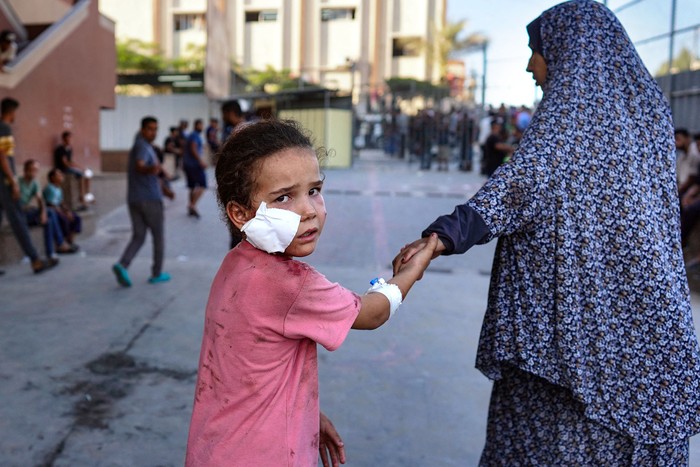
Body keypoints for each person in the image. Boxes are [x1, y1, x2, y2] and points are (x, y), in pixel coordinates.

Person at [394, 1, 700, 464]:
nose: (529, 64)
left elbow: (517, 189)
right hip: (652, 321)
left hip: (578, 338)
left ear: (566, 52)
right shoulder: (650, 111)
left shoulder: (570, 116)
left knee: (562, 443)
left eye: (535, 51)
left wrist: (440, 238)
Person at [185, 119, 437, 466]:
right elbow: (373, 312)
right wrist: (414, 269)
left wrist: (307, 414)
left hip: (218, 447)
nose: (308, 210)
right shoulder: (288, 283)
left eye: (314, 190)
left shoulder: (236, 265)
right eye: (284, 197)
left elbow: (247, 372)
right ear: (240, 213)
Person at [112, 116, 170, 287]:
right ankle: (157, 273)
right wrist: (152, 168)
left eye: (155, 129)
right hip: (150, 200)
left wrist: (165, 188)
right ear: (142, 130)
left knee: (139, 235)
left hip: (134, 199)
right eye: (150, 129)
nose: (154, 132)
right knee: (158, 237)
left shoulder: (140, 146)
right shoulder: (143, 146)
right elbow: (140, 166)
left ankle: (122, 265)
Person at [0, 97, 53, 273]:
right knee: (18, 220)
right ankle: (35, 260)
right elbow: (2, 156)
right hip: (5, 182)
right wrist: (13, 181)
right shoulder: (4, 128)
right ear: (11, 112)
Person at [19, 160, 77, 259]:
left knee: (49, 219)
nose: (35, 173)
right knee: (51, 212)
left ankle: (50, 253)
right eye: (32, 170)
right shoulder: (18, 182)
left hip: (29, 213)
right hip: (18, 215)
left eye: (36, 170)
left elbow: (40, 199)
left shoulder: (35, 183)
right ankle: (60, 243)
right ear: (25, 170)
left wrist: (43, 212)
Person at [53, 130, 94, 209]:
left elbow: (71, 161)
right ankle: (81, 198)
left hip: (69, 168)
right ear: (64, 139)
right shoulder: (60, 149)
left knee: (88, 173)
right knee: (81, 175)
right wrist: (77, 168)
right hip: (62, 169)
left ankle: (88, 195)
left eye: (71, 138)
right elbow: (65, 163)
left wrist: (81, 167)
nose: (70, 140)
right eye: (68, 138)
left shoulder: (70, 149)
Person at [43, 169, 82, 247]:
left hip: (59, 209)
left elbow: (61, 202)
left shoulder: (59, 189)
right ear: (52, 177)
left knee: (76, 218)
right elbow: (50, 204)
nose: (62, 176)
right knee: (64, 219)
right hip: (52, 211)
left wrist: (67, 211)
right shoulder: (49, 188)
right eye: (59, 175)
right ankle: (61, 243)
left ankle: (70, 240)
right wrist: (63, 213)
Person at [183, 118, 206, 218]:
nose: (202, 127)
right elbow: (193, 148)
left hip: (189, 164)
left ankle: (191, 207)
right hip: (194, 165)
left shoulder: (191, 135)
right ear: (197, 125)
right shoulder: (194, 136)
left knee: (192, 187)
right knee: (202, 185)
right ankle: (192, 205)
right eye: (200, 125)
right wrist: (200, 161)